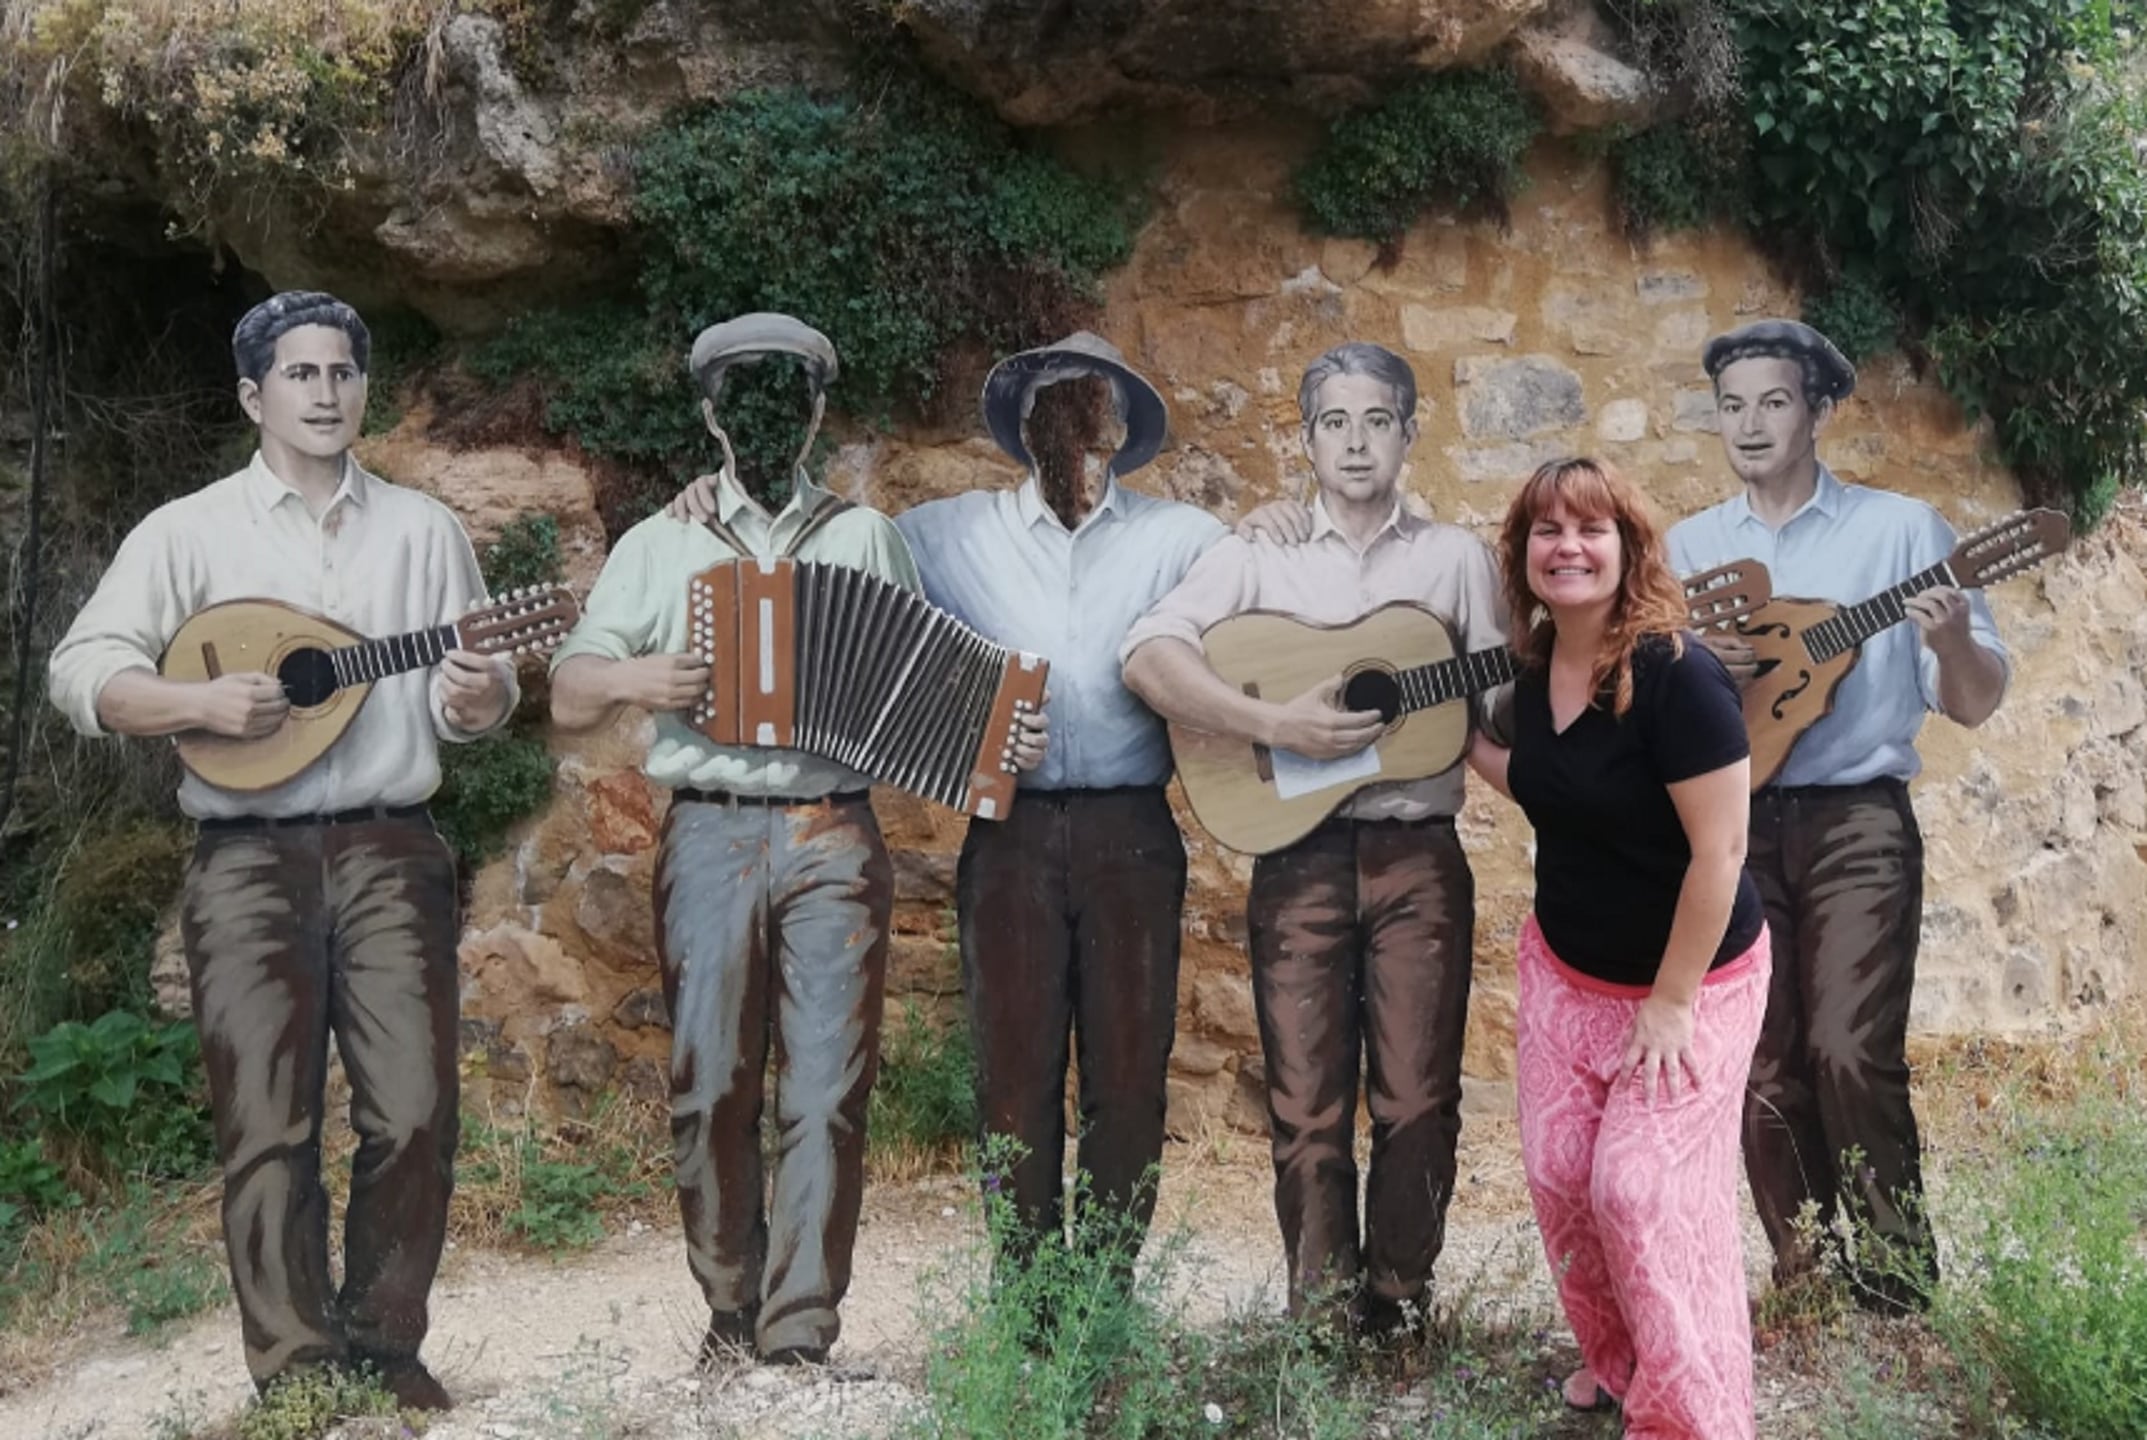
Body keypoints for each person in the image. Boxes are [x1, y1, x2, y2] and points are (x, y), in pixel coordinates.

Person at [47, 291, 517, 1410]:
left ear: (363, 388)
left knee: (413, 1109)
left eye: (342, 372)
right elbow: (82, 670)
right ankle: (296, 1375)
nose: (325, 392)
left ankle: (385, 1348)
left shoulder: (424, 531)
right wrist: (193, 702)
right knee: (267, 1122)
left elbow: (476, 701)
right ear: (254, 395)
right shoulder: (186, 533)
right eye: (300, 375)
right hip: (244, 858)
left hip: (392, 845)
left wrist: (482, 690)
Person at [670, 332, 1217, 1274]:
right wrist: (702, 498)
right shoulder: (937, 533)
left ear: (1125, 426)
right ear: (1023, 427)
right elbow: (827, 587)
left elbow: (1264, 605)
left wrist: (1291, 528)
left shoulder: (1188, 540)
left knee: (1129, 1077)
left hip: (1134, 830)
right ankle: (1027, 1295)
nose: (1077, 422)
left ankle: (1104, 1295)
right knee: (1012, 1072)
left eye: (1095, 404)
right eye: (1056, 404)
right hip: (1007, 836)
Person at [549, 313, 929, 1368]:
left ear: (812, 411)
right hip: (708, 833)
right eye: (745, 392)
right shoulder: (657, 543)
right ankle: (729, 1309)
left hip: (832, 831)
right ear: (712, 412)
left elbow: (921, 685)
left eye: (791, 392)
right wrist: (636, 677)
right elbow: (571, 690)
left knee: (826, 1087)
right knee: (709, 1079)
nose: (769, 410)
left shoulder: (862, 538)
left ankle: (799, 1330)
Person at [1120, 341, 1508, 1336]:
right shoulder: (1257, 552)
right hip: (1293, 857)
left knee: (1418, 1097)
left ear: (1408, 433)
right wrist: (1272, 726)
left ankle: (1398, 1299)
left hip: (1416, 855)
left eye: (1374, 419)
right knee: (1302, 1102)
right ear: (1304, 439)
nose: (1353, 441)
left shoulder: (1455, 559)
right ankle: (1321, 1312)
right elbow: (1146, 654)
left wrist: (1569, 656)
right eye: (1332, 422)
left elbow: (1499, 707)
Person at [1667, 320, 2009, 1308]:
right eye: (1731, 405)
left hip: (1857, 819)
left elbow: (1975, 700)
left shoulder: (1900, 532)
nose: (1748, 424)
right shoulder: (1691, 547)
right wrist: (1694, 666)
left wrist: (1947, 642)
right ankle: (1808, 1275)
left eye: (1771, 402)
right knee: (1760, 1061)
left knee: (1847, 1050)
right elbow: (1648, 697)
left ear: (1816, 410)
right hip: (1731, 825)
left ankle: (1896, 1282)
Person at [1466, 456, 1768, 1436]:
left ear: (1626, 547)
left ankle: (1690, 1413)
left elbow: (1719, 849)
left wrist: (1671, 1002)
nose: (1567, 547)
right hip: (1565, 971)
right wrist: (1457, 749)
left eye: (1589, 529)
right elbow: (1555, 787)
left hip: (1690, 983)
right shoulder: (1536, 661)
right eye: (1546, 531)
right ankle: (1623, 1359)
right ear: (1523, 557)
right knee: (1560, 1178)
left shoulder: (1675, 675)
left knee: (1638, 1193)